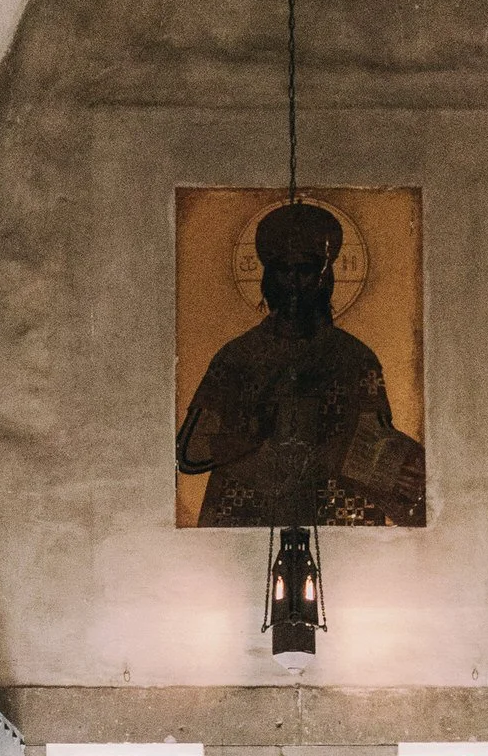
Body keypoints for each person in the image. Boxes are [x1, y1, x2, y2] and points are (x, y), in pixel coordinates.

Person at [176, 198, 426, 528]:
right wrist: (249, 436)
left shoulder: (353, 358)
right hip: (247, 513)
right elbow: (190, 453)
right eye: (284, 269)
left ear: (324, 277)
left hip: (336, 512)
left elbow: (378, 443)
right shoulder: (238, 357)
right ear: (268, 277)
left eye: (305, 269)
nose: (294, 282)